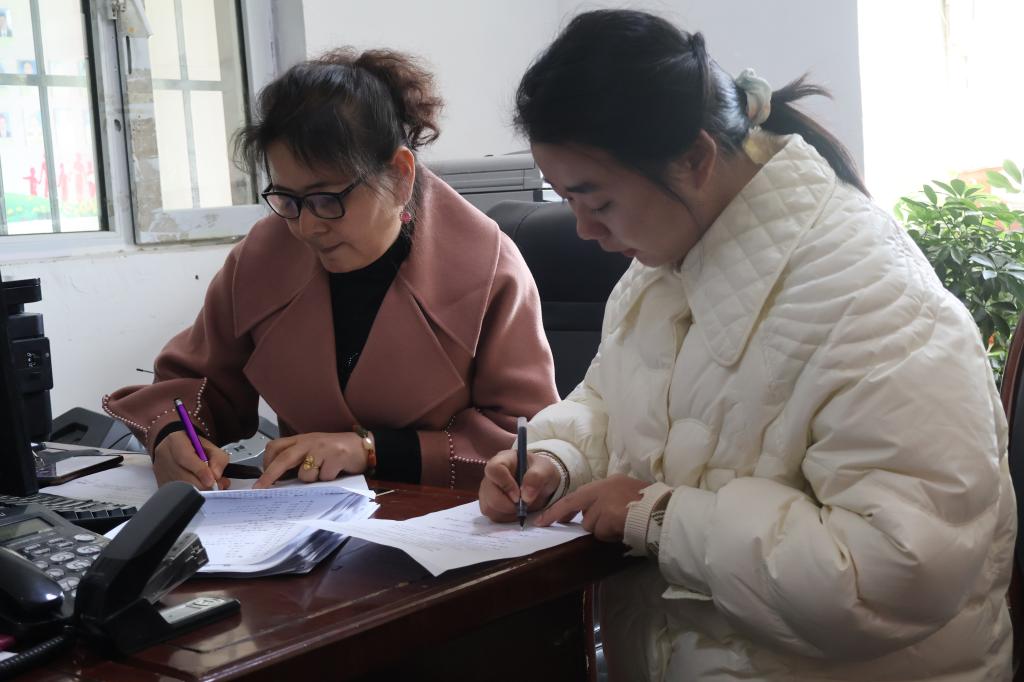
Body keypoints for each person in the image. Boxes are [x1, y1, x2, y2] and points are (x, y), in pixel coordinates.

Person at [479, 10, 1014, 681]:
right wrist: (554, 460)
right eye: (567, 200)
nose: (584, 229)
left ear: (695, 160)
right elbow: (610, 401)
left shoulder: (873, 299)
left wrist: (662, 516)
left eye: (598, 202)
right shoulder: (664, 265)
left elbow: (895, 573)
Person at [105, 48, 558, 492]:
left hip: (448, 517)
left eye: (328, 199)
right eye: (288, 199)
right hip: (301, 514)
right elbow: (195, 384)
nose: (307, 226)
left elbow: (526, 441)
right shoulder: (265, 255)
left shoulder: (487, 268)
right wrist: (173, 435)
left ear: (400, 175)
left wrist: (371, 449)